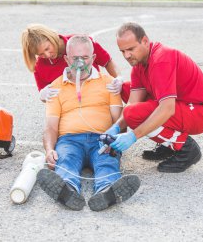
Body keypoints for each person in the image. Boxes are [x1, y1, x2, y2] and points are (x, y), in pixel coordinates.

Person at [37, 35, 140, 211]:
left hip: (101, 139)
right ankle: (66, 190)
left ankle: (107, 191)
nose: (79, 62)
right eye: (75, 58)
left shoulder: (109, 83)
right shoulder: (55, 88)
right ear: (66, 59)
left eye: (84, 58)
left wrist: (113, 139)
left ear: (93, 58)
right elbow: (51, 127)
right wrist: (49, 150)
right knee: (65, 159)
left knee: (106, 161)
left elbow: (119, 120)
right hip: (69, 140)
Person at [105, 22, 203, 173]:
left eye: (131, 49)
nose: (127, 56)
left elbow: (167, 108)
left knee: (133, 114)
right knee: (125, 89)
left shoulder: (161, 60)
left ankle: (186, 149)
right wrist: (116, 129)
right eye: (122, 51)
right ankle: (168, 144)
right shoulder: (138, 64)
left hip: (200, 111)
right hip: (181, 105)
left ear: (145, 41)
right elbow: (133, 102)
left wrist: (133, 136)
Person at [21, 23, 123, 102]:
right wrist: (43, 95)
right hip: (68, 106)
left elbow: (107, 62)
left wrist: (118, 78)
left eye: (47, 48)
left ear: (51, 37)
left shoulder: (81, 42)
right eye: (41, 54)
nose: (47, 55)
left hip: (96, 96)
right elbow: (44, 95)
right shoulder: (39, 65)